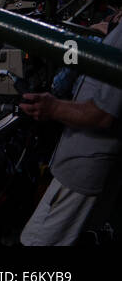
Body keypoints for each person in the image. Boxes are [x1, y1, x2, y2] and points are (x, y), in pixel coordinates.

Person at [19, 16, 122, 245]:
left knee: (36, 241)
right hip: (87, 161)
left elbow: (103, 115)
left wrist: (52, 107)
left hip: (86, 164)